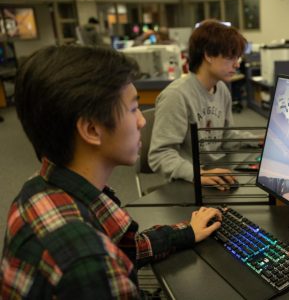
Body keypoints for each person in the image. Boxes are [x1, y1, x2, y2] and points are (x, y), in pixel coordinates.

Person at [0, 45, 223, 298]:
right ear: (92, 130)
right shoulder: (89, 264)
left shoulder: (38, 189)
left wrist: (186, 233)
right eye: (132, 109)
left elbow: (126, 247)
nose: (142, 121)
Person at [148, 19, 257, 191]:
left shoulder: (221, 89)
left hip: (217, 173)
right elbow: (159, 155)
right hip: (190, 181)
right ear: (208, 55)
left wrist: (258, 140)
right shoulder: (176, 96)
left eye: (238, 57)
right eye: (231, 57)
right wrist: (199, 174)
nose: (237, 64)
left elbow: (225, 137)